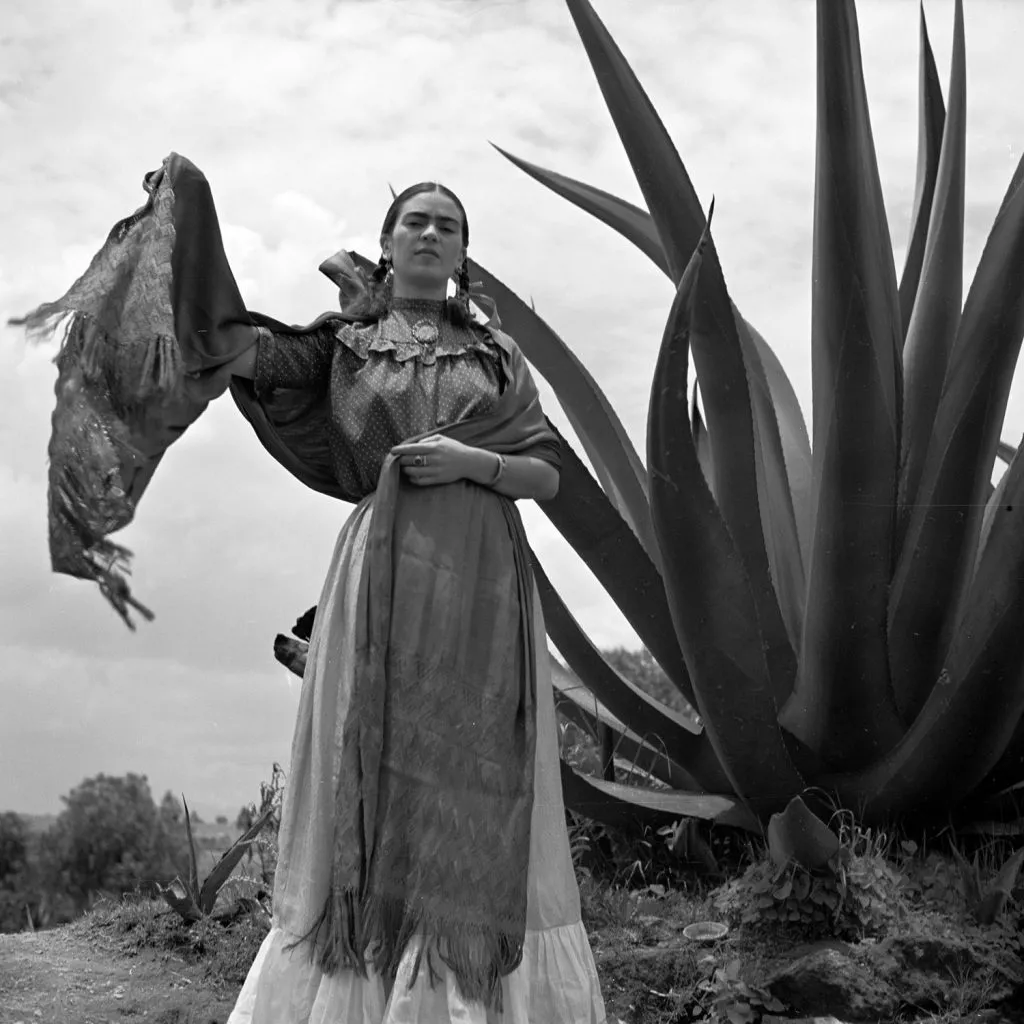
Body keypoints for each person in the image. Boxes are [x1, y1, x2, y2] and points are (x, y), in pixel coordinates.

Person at [15, 154, 606, 1023]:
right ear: (388, 245)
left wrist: (471, 462)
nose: (432, 232)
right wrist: (190, 225)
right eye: (417, 220)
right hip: (383, 571)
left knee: (472, 768)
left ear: (465, 254)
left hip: (484, 584)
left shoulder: (498, 356)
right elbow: (234, 346)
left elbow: (549, 477)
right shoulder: (342, 348)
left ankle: (471, 987)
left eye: (448, 223)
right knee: (378, 759)